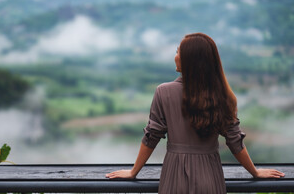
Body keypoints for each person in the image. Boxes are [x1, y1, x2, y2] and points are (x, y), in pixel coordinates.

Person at [106, 33, 285, 193]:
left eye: (178, 52)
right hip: (210, 175)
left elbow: (151, 137)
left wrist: (133, 172)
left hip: (174, 175)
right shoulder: (223, 95)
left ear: (188, 60)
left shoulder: (163, 92)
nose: (175, 56)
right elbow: (234, 140)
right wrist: (254, 172)